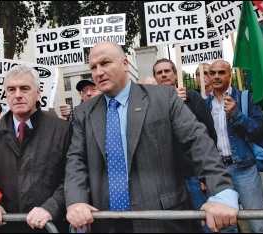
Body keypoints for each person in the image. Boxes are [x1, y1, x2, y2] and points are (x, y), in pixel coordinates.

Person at [64, 41, 239, 233]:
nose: (98, 72)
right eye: (93, 67)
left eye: (105, 63)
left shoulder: (164, 98)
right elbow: (76, 162)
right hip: (105, 221)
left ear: (124, 64)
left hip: (161, 219)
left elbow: (197, 141)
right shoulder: (84, 112)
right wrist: (76, 201)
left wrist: (221, 191)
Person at [0, 64, 72, 233]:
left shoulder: (63, 130)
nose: (18, 95)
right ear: (5, 95)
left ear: (38, 92)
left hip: (50, 227)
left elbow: (72, 177)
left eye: (25, 88)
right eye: (11, 89)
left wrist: (51, 207)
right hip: (5, 228)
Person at [152, 58, 217, 233]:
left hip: (194, 176)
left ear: (175, 74)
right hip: (168, 180)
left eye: (167, 71)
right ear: (155, 78)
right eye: (159, 72)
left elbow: (208, 135)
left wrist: (205, 173)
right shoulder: (151, 105)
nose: (164, 75)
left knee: (205, 225)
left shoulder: (192, 97)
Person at [205, 60, 263, 233]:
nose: (217, 76)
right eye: (213, 73)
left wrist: (236, 115)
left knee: (258, 224)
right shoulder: (204, 105)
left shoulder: (246, 98)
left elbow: (261, 130)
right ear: (208, 77)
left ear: (230, 75)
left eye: (221, 72)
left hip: (245, 169)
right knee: (226, 227)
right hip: (218, 173)